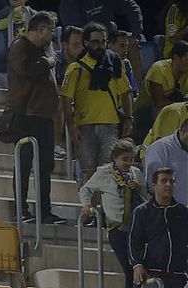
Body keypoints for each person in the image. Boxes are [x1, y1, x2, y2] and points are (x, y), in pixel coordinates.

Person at [79, 140, 144, 288]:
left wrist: (138, 188)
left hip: (136, 228)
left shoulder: (136, 174)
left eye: (131, 159)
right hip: (116, 228)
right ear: (114, 158)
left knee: (136, 269)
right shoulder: (104, 173)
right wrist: (86, 206)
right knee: (130, 269)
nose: (128, 163)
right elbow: (86, 188)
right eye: (124, 159)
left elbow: (148, 195)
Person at [61, 23, 133, 180]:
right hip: (84, 125)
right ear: (86, 43)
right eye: (95, 41)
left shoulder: (114, 63)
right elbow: (66, 100)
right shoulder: (75, 69)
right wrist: (71, 126)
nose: (100, 45)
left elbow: (126, 92)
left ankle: (103, 205)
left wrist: (128, 117)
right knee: (89, 172)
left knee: (107, 171)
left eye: (103, 41)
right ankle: (89, 205)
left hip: (110, 124)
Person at [9, 14, 61, 223]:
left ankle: (44, 211)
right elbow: (26, 70)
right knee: (24, 164)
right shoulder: (19, 47)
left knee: (45, 165)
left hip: (44, 116)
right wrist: (48, 62)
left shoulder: (41, 51)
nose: (52, 35)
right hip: (26, 115)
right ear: (40, 29)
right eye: (51, 30)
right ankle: (21, 209)